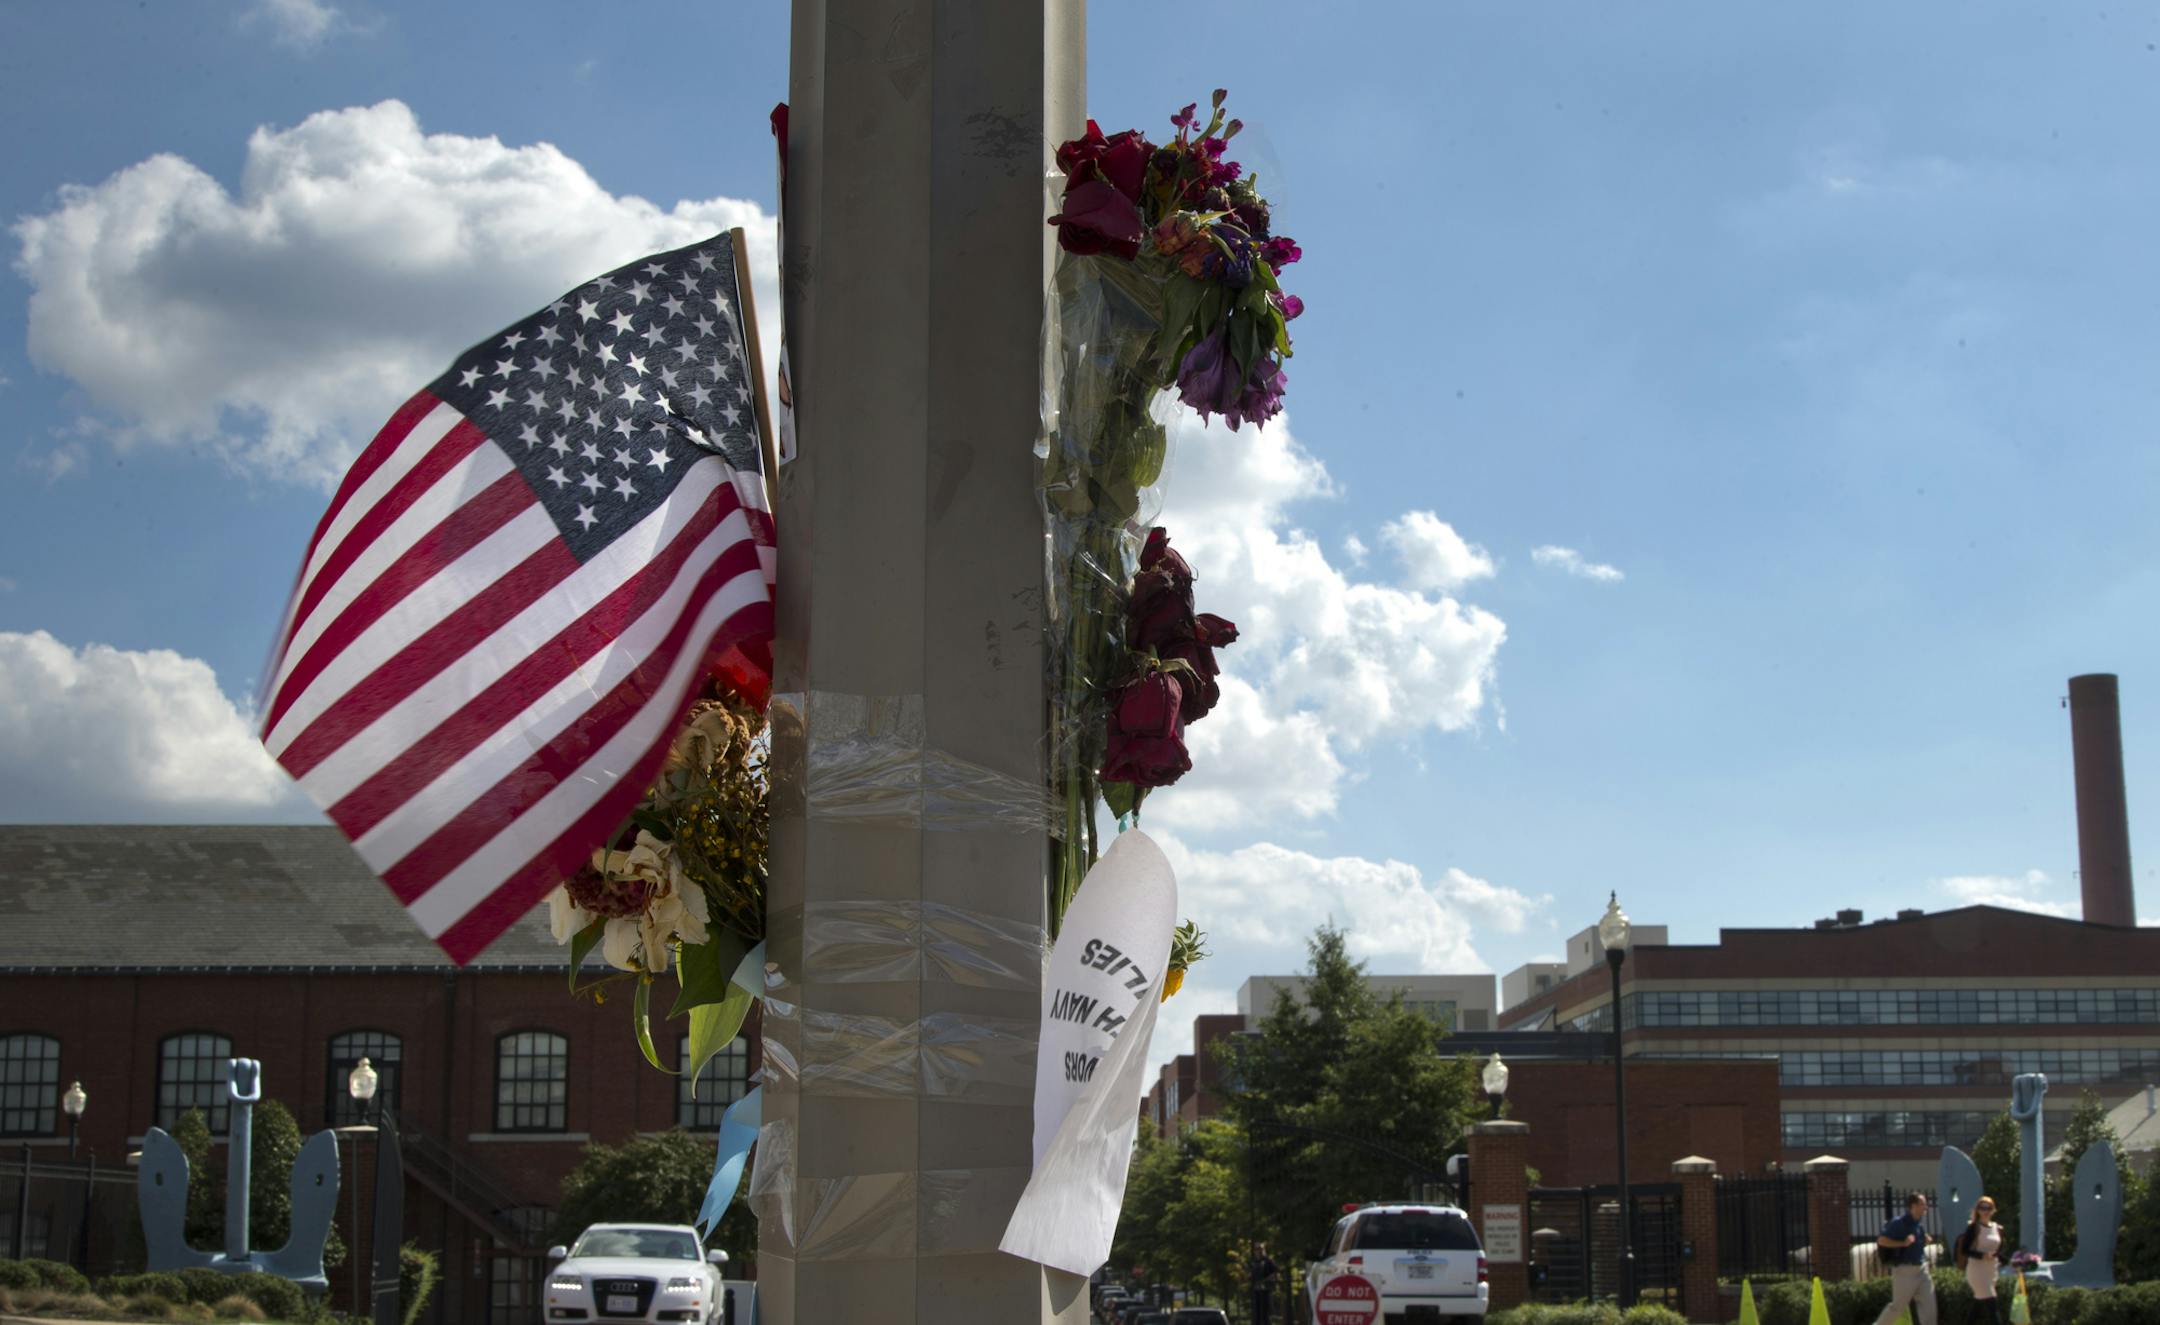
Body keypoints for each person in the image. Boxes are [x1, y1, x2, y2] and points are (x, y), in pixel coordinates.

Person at [1873, 1191, 1938, 1325]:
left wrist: (1924, 1240)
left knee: (1930, 1307)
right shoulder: (1899, 1223)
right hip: (1904, 1271)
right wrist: (1903, 1243)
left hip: (1922, 1270)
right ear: (1913, 1206)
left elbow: (1915, 1245)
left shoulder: (1919, 1225)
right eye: (1922, 1204)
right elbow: (1882, 1240)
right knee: (1897, 1308)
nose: (1926, 1207)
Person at [1954, 1196, 2008, 1324]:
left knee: (1978, 1305)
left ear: (1993, 1210)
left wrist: (2012, 1263)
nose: (1986, 1211)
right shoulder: (1974, 1227)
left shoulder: (1998, 1228)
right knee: (1992, 1304)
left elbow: (2000, 1251)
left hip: (1991, 1271)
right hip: (1977, 1271)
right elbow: (1965, 1250)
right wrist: (1982, 1256)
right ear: (1977, 1210)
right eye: (1982, 1208)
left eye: (1989, 1208)